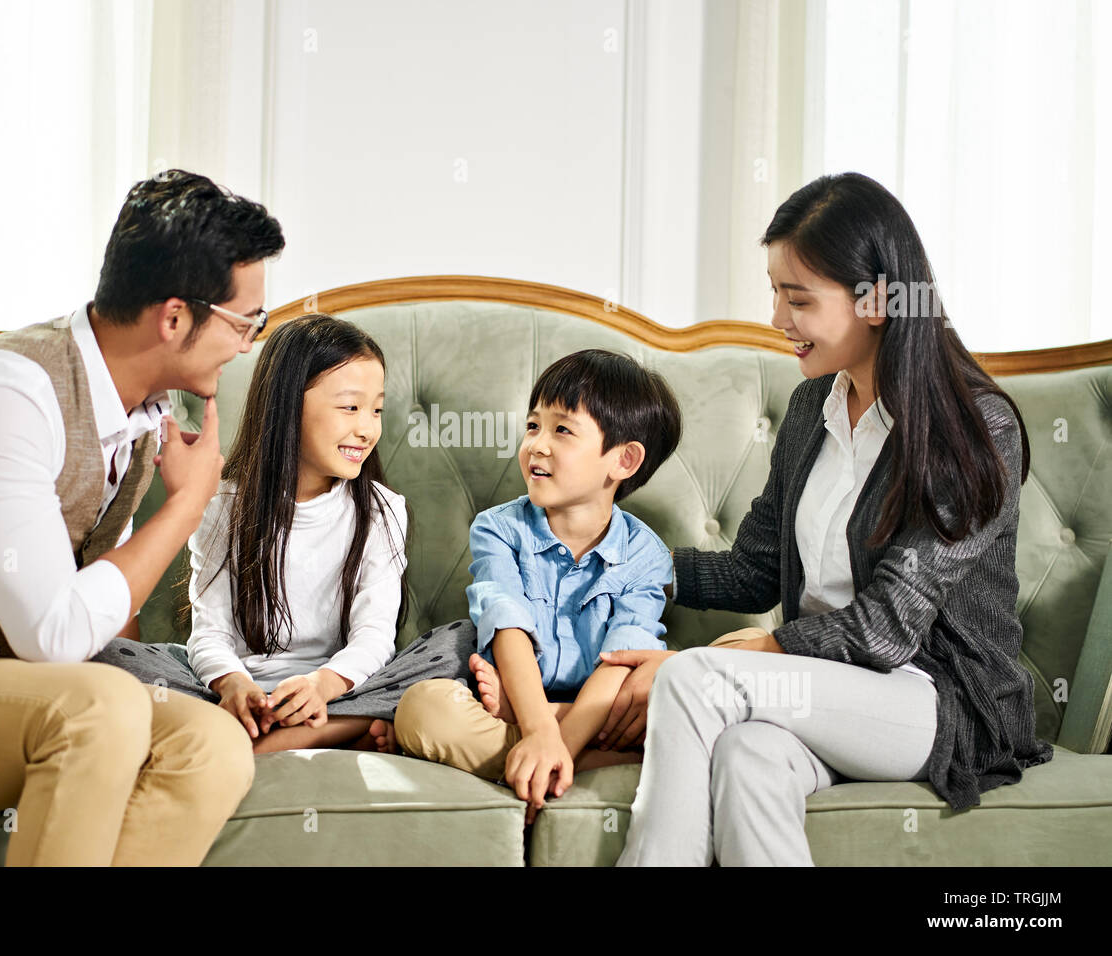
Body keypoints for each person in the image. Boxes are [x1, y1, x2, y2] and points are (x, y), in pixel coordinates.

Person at [0, 169, 281, 866]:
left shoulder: (142, 415)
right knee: (100, 706)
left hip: (25, 696)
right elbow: (53, 636)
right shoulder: (6, 395)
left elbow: (98, 611)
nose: (249, 344)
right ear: (176, 316)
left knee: (211, 746)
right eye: (247, 322)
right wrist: (188, 503)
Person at [600, 172, 1054, 866]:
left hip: (938, 700)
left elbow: (887, 628)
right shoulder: (814, 408)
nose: (778, 318)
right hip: (828, 691)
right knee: (749, 755)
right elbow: (754, 573)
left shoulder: (977, 426)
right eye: (775, 291)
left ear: (875, 301)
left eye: (798, 298)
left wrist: (758, 653)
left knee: (694, 678)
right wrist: (621, 562)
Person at [92, 313, 475, 753]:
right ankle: (328, 728)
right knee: (108, 659)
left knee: (460, 643)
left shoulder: (382, 511)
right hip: (234, 687)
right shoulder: (221, 505)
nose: (368, 428)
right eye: (350, 407)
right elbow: (210, 630)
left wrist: (321, 685)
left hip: (338, 688)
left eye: (377, 410)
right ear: (288, 405)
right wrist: (233, 685)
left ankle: (295, 731)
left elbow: (374, 636)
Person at [394, 349, 682, 823]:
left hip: (597, 711)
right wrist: (539, 729)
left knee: (670, 713)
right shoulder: (499, 529)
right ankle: (567, 756)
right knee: (423, 709)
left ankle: (538, 758)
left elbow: (620, 662)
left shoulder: (646, 554)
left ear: (624, 460)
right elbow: (506, 626)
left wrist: (552, 742)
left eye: (562, 430)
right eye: (533, 426)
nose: (537, 445)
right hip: (526, 704)